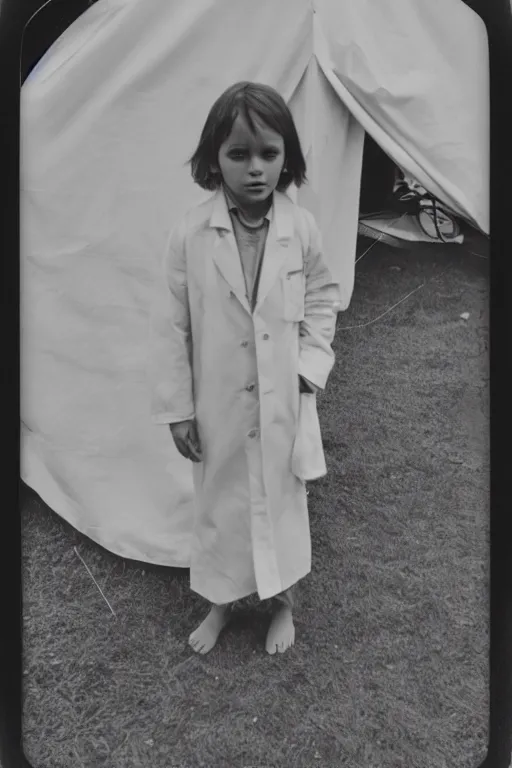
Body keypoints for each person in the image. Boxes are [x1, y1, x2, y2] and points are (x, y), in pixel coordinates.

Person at [150, 81, 338, 655]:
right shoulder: (191, 232)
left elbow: (324, 296)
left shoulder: (300, 228)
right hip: (219, 401)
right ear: (214, 160)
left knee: (282, 500)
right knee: (221, 502)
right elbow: (171, 325)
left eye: (269, 154)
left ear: (288, 158)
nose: (256, 168)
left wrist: (309, 366)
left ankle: (283, 604)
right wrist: (179, 410)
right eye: (238, 154)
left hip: (282, 397)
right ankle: (221, 604)